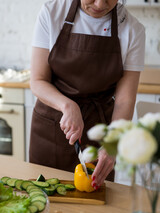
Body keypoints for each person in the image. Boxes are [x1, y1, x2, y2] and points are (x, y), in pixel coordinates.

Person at [29, 0, 145, 190]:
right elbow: (38, 80)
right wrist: (68, 105)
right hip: (50, 127)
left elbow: (125, 100)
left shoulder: (132, 29)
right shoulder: (52, 13)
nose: (100, 4)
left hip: (99, 131)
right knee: (44, 199)